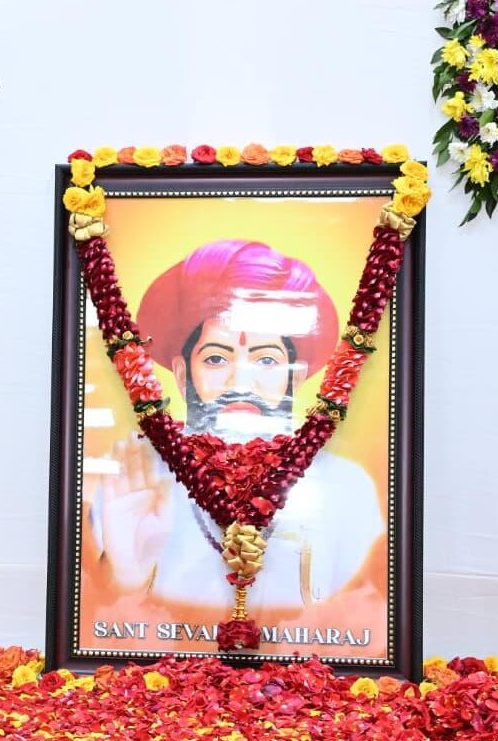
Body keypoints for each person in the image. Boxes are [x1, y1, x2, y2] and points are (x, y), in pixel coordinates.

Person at [90, 239, 383, 608]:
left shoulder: (346, 486)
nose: (240, 384)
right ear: (182, 375)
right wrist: (124, 576)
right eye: (215, 359)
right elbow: (100, 615)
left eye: (266, 361)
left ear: (296, 377)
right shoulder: (135, 481)